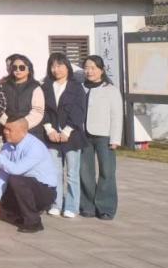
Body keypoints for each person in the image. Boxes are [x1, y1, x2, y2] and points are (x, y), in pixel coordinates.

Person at [0, 116, 59, 233]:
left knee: (15, 179)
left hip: (44, 191)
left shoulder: (35, 146)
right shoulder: (7, 147)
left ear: (23, 132)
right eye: (5, 128)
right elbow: (2, 173)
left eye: (10, 130)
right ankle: (20, 214)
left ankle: (34, 222)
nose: (5, 132)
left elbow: (16, 170)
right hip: (25, 186)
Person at [41, 53, 86, 218]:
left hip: (72, 135)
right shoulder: (45, 87)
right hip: (51, 136)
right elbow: (43, 110)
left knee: (72, 174)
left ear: (67, 67)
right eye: (53, 66)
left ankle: (71, 206)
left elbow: (79, 111)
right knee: (55, 172)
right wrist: (49, 130)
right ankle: (56, 203)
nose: (56, 69)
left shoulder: (76, 87)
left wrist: (67, 131)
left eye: (59, 65)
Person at [81, 55, 123, 220]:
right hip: (84, 135)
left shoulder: (111, 90)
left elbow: (116, 115)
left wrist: (115, 139)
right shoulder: (81, 88)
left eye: (93, 68)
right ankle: (88, 206)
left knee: (107, 171)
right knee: (85, 172)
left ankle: (106, 207)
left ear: (102, 70)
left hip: (104, 136)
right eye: (86, 68)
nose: (89, 71)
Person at [1, 54, 46, 138]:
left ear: (29, 70)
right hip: (10, 130)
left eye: (21, 67)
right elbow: (0, 108)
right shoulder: (4, 87)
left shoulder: (35, 87)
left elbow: (38, 111)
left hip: (31, 132)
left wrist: (22, 125)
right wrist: (9, 124)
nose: (18, 70)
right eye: (15, 67)